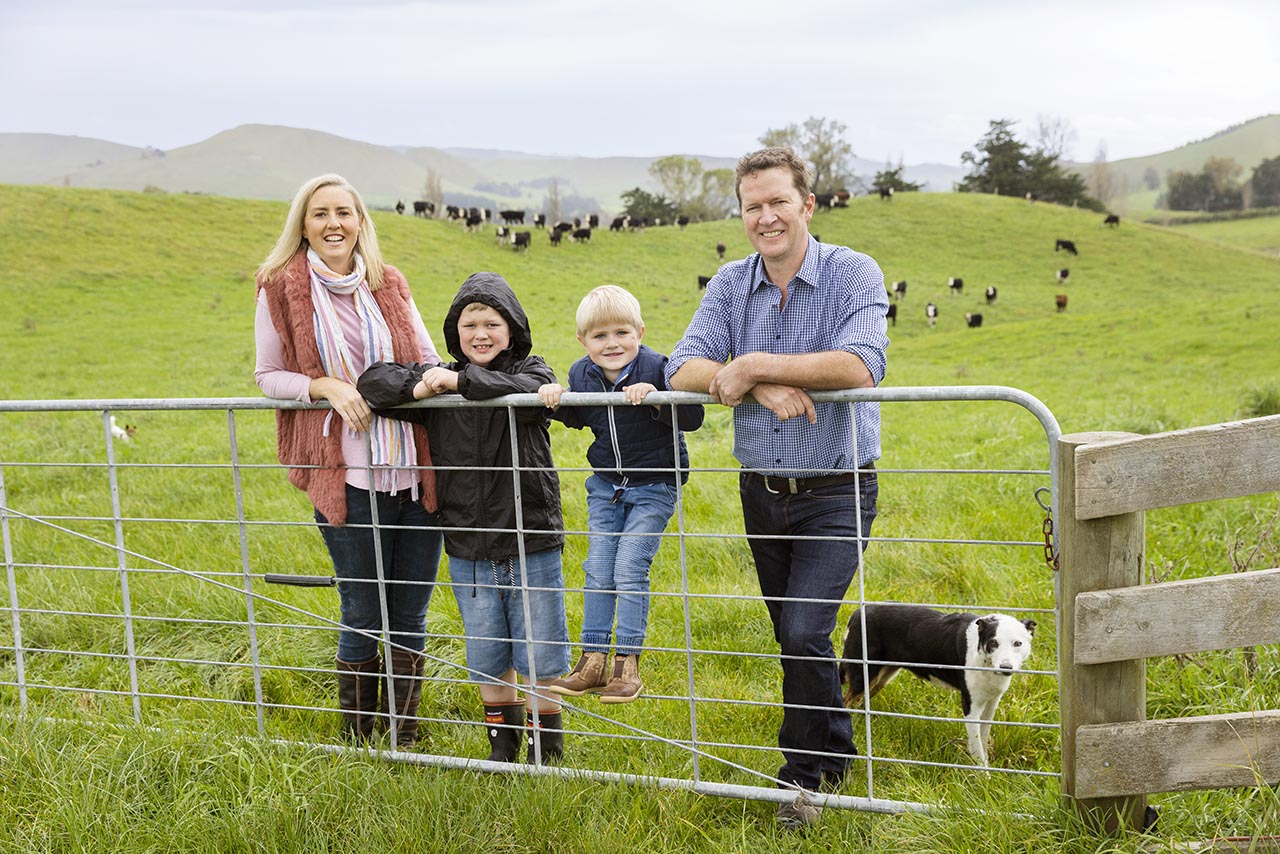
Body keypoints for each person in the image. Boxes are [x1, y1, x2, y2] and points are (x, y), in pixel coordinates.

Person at [665, 147, 889, 829]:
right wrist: (755, 383)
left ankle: (801, 783)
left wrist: (756, 360)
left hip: (837, 488)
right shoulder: (732, 284)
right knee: (799, 638)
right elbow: (682, 366)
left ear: (807, 206)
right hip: (761, 491)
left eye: (777, 203)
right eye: (752, 206)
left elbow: (861, 365)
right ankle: (839, 753)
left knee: (801, 629)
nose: (766, 217)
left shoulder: (853, 272)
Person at [254, 173, 444, 748]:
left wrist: (442, 380)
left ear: (361, 221)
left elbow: (429, 356)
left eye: (344, 212)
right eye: (320, 214)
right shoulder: (279, 287)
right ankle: (361, 739)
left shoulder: (389, 283)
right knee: (363, 607)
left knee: (410, 612)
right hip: (347, 476)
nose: (333, 223)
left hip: (413, 469)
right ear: (303, 225)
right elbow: (267, 376)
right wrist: (326, 387)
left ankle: (403, 735)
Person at [357, 272, 571, 763]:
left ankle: (547, 757)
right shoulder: (441, 389)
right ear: (455, 332)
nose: (480, 334)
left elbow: (531, 386)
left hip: (529, 539)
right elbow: (372, 382)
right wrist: (424, 388)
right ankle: (503, 753)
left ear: (512, 329)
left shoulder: (531, 373)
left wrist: (459, 381)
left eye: (492, 323)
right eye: (469, 324)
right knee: (487, 654)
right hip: (468, 545)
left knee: (540, 652)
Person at [537, 285, 704, 704]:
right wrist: (556, 398)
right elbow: (581, 416)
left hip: (654, 485)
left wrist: (657, 398)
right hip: (606, 485)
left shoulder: (658, 367)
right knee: (598, 569)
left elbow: (694, 415)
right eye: (599, 336)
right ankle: (591, 660)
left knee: (629, 568)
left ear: (640, 332)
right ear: (583, 341)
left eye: (621, 333)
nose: (612, 344)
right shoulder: (582, 373)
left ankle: (626, 665)